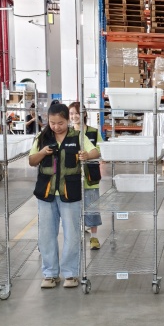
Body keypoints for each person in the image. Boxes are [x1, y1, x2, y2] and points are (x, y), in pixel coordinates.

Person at [29, 102, 99, 289]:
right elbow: (31, 160)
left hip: (70, 192)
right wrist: (42, 152)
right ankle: (50, 274)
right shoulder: (42, 137)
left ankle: (70, 273)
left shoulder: (78, 136)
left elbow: (95, 151)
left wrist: (87, 155)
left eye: (60, 123)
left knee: (72, 234)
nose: (56, 127)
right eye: (52, 123)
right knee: (46, 235)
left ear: (68, 120)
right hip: (46, 193)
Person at [69, 101, 103, 250]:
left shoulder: (93, 132)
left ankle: (94, 238)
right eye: (71, 113)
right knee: (74, 208)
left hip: (90, 177)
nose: (74, 116)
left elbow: (100, 150)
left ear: (84, 114)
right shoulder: (67, 133)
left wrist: (89, 155)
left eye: (77, 113)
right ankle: (78, 235)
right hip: (72, 177)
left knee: (92, 207)